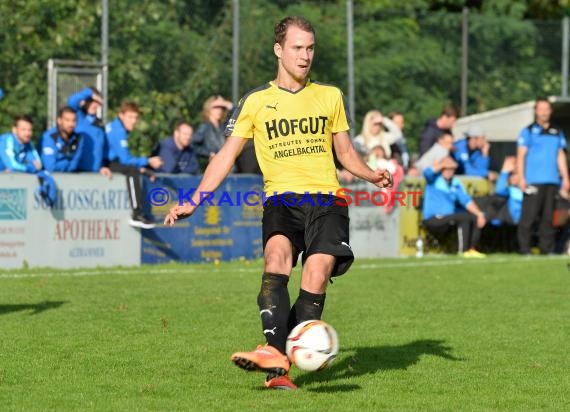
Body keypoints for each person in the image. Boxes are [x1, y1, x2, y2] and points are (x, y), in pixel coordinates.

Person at [164, 16, 392, 390]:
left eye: (310, 48)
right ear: (279, 50)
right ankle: (277, 360)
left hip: (326, 200)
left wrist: (372, 175)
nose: (305, 56)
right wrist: (194, 199)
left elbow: (346, 153)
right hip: (281, 201)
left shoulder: (330, 96)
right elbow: (224, 157)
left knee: (316, 274)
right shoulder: (255, 101)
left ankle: (278, 358)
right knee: (276, 260)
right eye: (298, 48)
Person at [516, 98, 570, 255]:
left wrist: (565, 178)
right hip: (533, 180)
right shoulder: (528, 131)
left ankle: (547, 249)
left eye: (546, 109)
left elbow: (560, 156)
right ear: (535, 111)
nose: (544, 112)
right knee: (529, 217)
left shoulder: (556, 132)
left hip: (552, 180)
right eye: (541, 109)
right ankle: (524, 249)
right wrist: (521, 177)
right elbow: (521, 156)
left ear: (550, 111)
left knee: (548, 218)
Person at [105, 101, 163, 228]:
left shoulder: (116, 127)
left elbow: (124, 157)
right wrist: (148, 161)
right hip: (106, 163)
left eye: (135, 118)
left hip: (110, 162)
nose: (133, 121)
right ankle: (136, 214)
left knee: (134, 169)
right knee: (132, 171)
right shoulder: (118, 131)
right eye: (130, 117)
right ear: (121, 115)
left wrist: (141, 167)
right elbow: (125, 160)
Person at [422, 156, 487, 257]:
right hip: (434, 218)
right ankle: (463, 251)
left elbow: (466, 201)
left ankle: (471, 249)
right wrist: (442, 164)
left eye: (451, 169)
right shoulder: (433, 180)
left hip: (449, 218)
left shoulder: (455, 184)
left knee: (474, 217)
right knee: (463, 217)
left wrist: (479, 214)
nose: (449, 171)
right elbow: (427, 173)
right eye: (446, 169)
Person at [67, 87, 112, 178]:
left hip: (95, 173)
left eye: (97, 102)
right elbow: (71, 102)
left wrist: (103, 166)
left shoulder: (99, 125)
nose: (94, 105)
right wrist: (90, 93)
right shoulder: (78, 117)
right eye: (91, 101)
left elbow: (103, 150)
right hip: (78, 171)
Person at [191, 95, 234, 172]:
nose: (219, 110)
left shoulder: (224, 126)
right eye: (216, 107)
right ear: (208, 108)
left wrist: (229, 105)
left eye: (222, 107)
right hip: (212, 169)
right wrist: (208, 154)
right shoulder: (204, 127)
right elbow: (193, 145)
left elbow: (238, 117)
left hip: (227, 168)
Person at [40, 106, 85, 172]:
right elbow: (50, 167)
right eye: (67, 120)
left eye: (74, 120)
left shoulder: (79, 139)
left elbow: (73, 166)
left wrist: (62, 164)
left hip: (69, 178)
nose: (71, 124)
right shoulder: (49, 137)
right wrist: (66, 162)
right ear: (59, 121)